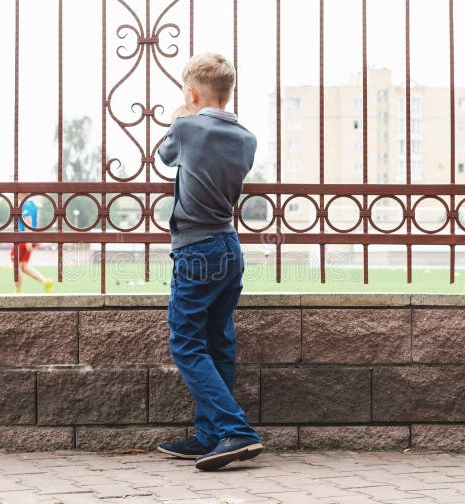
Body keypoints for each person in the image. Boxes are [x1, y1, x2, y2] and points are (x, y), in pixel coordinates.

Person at [155, 53, 262, 471]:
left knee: (186, 342)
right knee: (219, 342)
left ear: (193, 92)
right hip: (228, 247)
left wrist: (180, 115)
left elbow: (165, 157)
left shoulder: (185, 127)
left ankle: (237, 431)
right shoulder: (247, 138)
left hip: (196, 249)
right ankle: (210, 435)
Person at [11, 193, 53, 294]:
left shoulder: (24, 205)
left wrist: (28, 241)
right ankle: (45, 281)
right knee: (24, 266)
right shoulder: (33, 205)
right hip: (29, 237)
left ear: (21, 194)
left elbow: (28, 222)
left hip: (22, 238)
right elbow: (35, 223)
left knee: (16, 266)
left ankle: (17, 291)